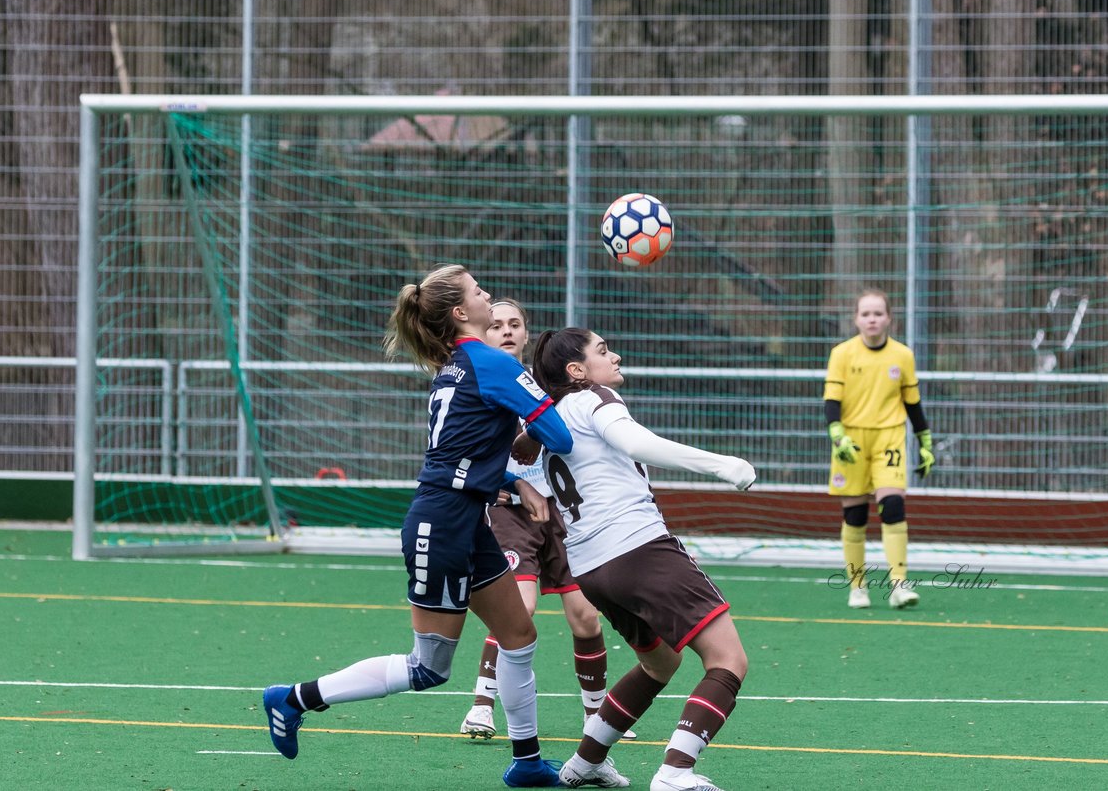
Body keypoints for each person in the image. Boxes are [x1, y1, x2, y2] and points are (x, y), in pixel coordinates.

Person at [261, 265, 575, 788]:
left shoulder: (456, 363)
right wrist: (567, 401)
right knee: (429, 668)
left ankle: (525, 762)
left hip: (463, 516)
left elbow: (480, 446)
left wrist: (514, 466)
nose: (487, 295)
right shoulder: (491, 363)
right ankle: (293, 698)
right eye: (478, 291)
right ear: (460, 312)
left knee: (518, 636)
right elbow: (559, 437)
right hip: (443, 522)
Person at [525, 327, 756, 791]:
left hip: (590, 567)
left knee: (660, 664)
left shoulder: (544, 421)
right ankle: (675, 772)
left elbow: (515, 460)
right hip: (636, 548)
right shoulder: (594, 397)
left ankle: (586, 761)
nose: (615, 356)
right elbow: (636, 443)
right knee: (728, 659)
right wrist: (722, 464)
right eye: (603, 351)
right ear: (576, 371)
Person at [459, 299, 635, 743]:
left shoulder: (545, 387)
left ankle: (596, 715)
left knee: (586, 619)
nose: (506, 331)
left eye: (515, 324)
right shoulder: (482, 384)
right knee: (520, 609)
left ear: (526, 333)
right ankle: (481, 704)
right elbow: (470, 451)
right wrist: (507, 482)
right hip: (511, 516)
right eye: (496, 324)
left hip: (562, 513)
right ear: (483, 331)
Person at [824, 287, 936, 610]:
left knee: (893, 507)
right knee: (856, 515)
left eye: (878, 313)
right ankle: (858, 587)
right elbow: (832, 403)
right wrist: (838, 437)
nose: (872, 319)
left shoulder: (902, 356)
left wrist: (925, 441)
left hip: (889, 438)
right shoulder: (842, 354)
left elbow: (913, 404)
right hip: (852, 443)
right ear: (856, 319)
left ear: (889, 318)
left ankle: (899, 584)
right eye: (865, 314)